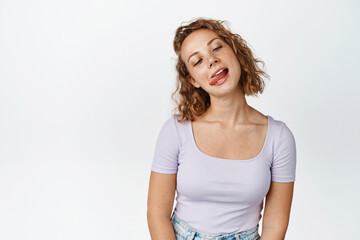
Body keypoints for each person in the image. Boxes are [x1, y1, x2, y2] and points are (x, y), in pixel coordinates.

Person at [147, 17, 296, 240]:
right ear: (193, 80)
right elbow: (157, 214)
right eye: (197, 62)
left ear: (235, 51)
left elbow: (274, 225)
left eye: (217, 48)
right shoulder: (176, 130)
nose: (211, 61)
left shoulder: (279, 137)